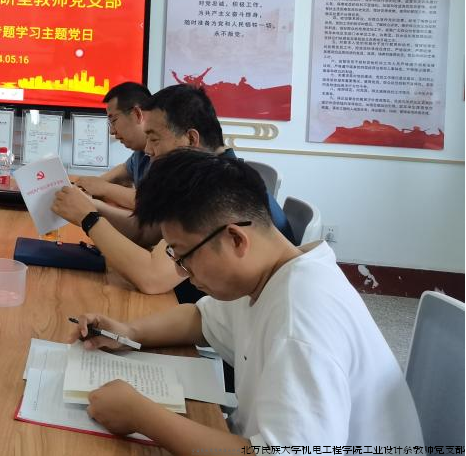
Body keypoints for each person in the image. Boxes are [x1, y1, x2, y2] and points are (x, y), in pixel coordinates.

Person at [75, 150, 422, 448]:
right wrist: (129, 332)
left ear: (236, 239)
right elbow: (202, 319)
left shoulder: (301, 321)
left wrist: (143, 417)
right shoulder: (270, 274)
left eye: (183, 256)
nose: (183, 271)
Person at [53, 84, 293, 299]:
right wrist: (89, 206)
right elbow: (144, 231)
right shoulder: (212, 173)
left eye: (154, 139)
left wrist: (89, 218)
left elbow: (152, 279)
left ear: (190, 139)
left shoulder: (213, 188)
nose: (148, 151)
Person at [72, 82, 151, 219]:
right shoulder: (140, 151)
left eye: (113, 121)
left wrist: (103, 188)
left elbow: (151, 201)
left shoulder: (168, 152)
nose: (112, 132)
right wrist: (87, 186)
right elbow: (125, 170)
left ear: (137, 114)